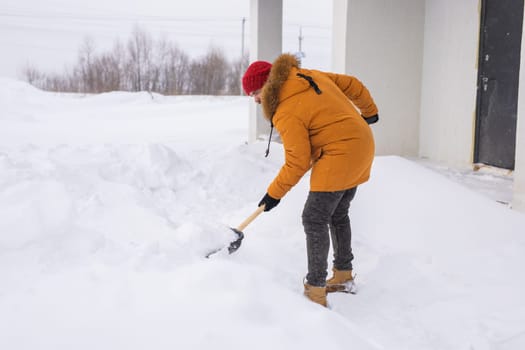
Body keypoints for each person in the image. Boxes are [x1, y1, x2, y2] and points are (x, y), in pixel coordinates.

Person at [241, 53, 379, 307]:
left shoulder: (284, 111)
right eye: (251, 96)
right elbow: (353, 84)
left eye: (255, 92)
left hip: (340, 153)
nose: (256, 99)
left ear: (268, 84)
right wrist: (369, 113)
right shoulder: (309, 75)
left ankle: (315, 290)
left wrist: (274, 194)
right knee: (337, 212)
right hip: (362, 144)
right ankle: (342, 276)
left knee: (314, 217)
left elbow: (298, 161)